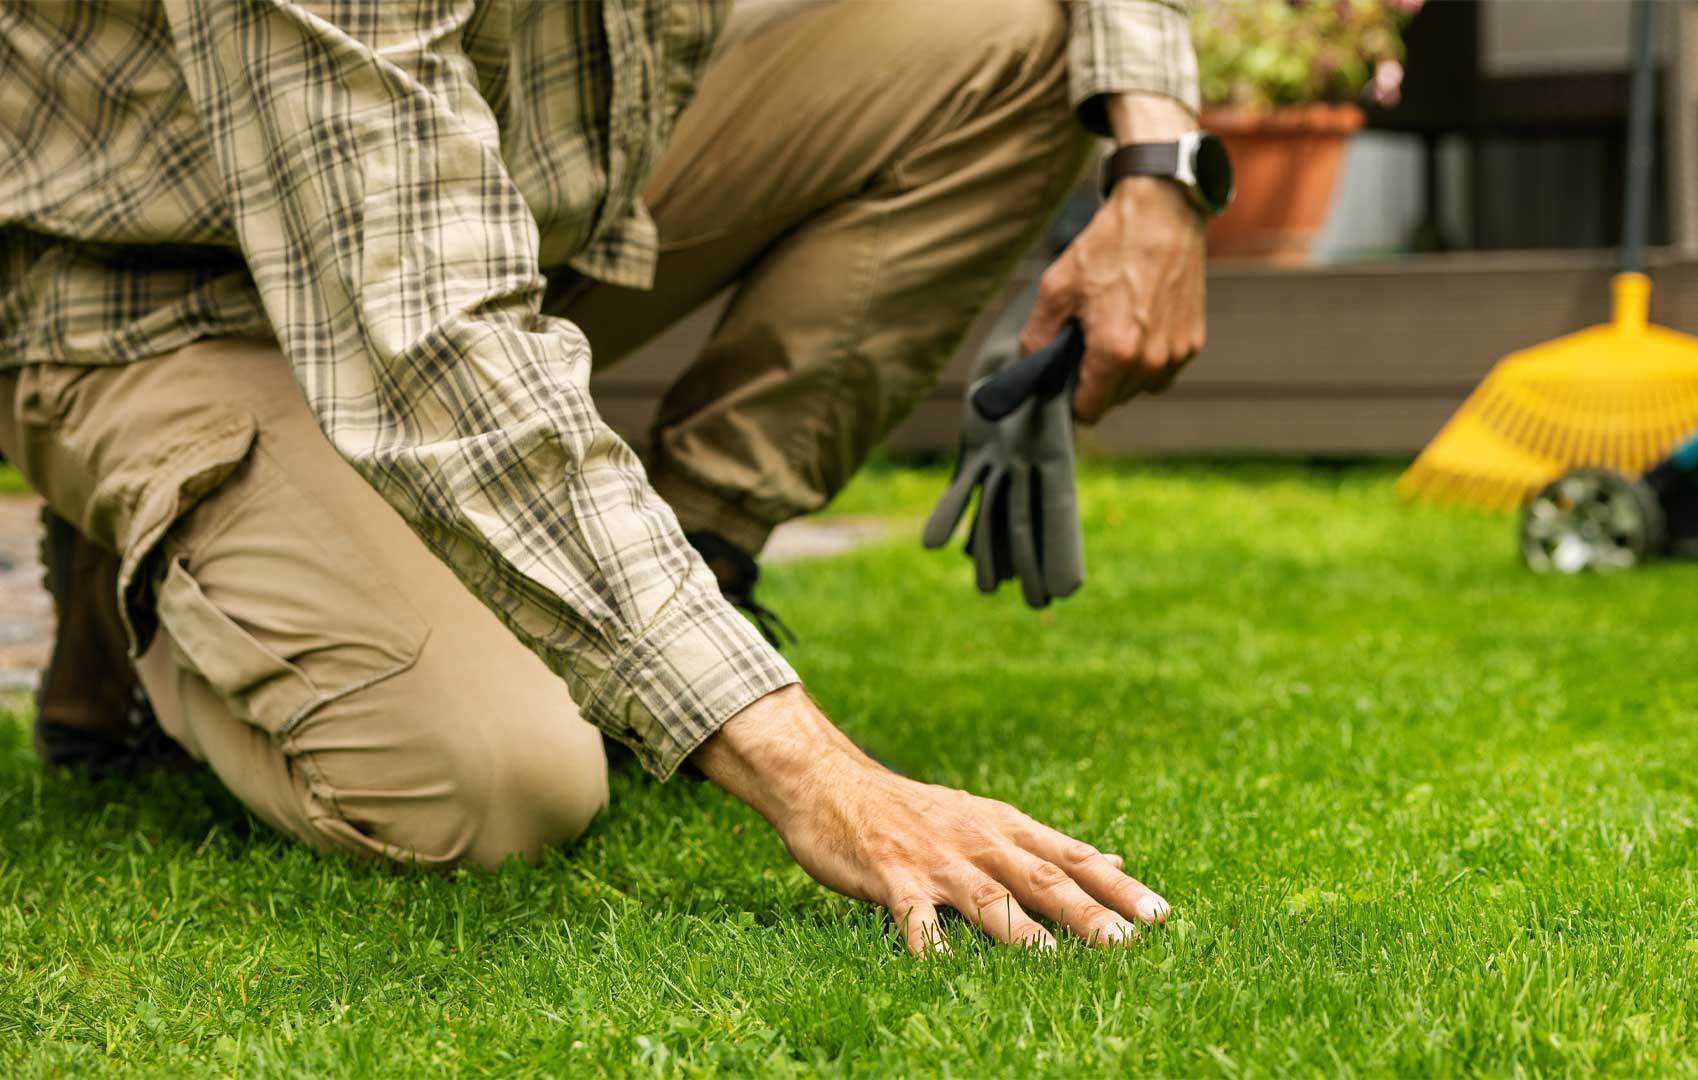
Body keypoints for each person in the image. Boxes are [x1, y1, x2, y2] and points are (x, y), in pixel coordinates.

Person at [0, 0, 1226, 954]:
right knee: (498, 789)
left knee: (1007, 41)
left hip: (524, 197)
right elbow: (426, 327)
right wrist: (817, 773)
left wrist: (1162, 168)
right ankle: (147, 598)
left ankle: (683, 586)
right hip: (165, 298)